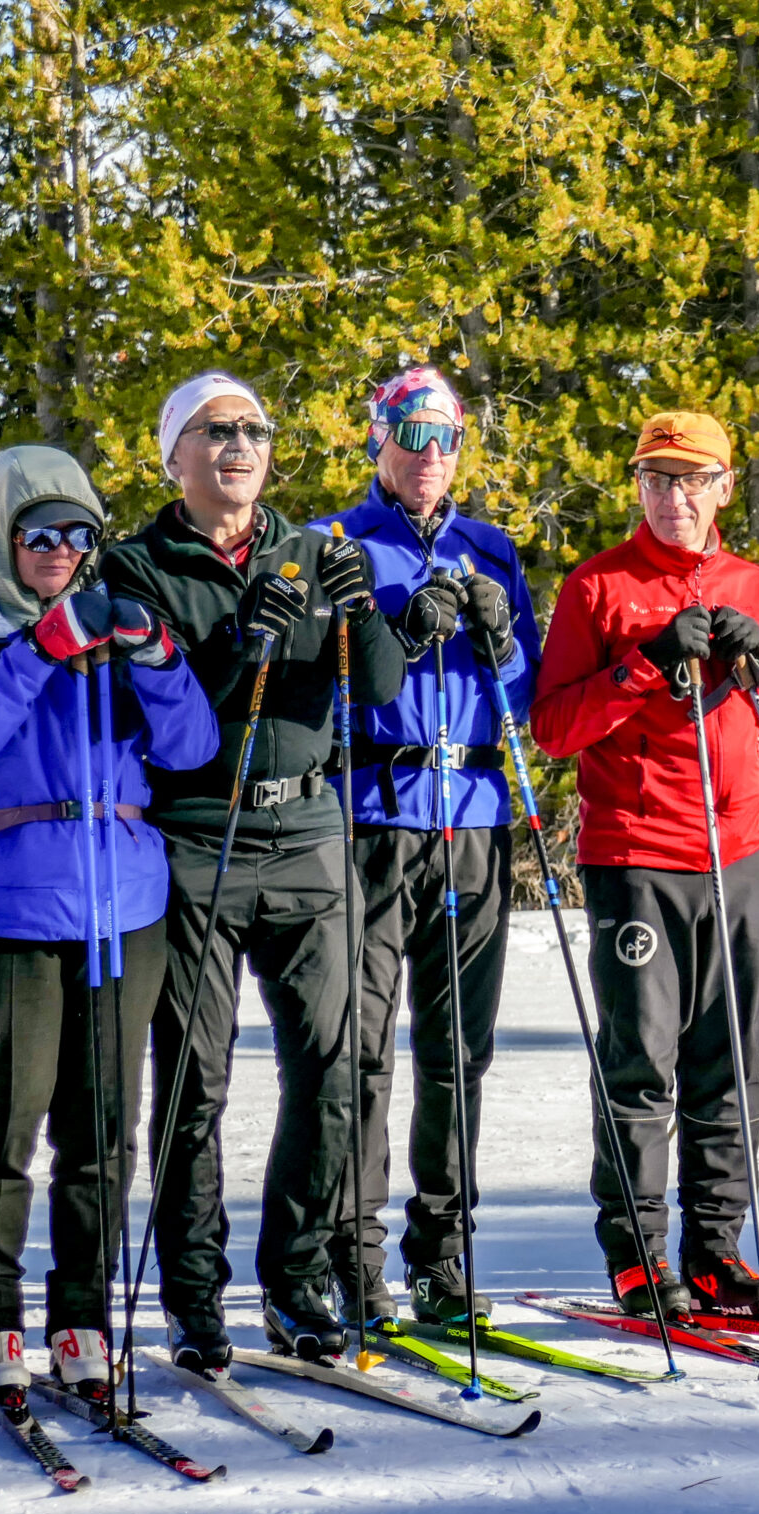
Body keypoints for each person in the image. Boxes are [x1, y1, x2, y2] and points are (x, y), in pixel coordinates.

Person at [102, 372, 405, 1368]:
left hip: (310, 832)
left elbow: (385, 691)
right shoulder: (138, 567)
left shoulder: (319, 552)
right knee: (196, 1079)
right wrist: (244, 648)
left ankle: (299, 1278)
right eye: (213, 431)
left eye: (253, 430)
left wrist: (364, 618)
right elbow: (169, 722)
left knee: (331, 1068)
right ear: (172, 456)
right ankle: (195, 1292)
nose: (238, 445)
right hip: (198, 837)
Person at [0, 446, 215, 1401]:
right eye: (39, 533)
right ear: (5, 534)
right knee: (3, 1120)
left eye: (78, 533)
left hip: (122, 907)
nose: (60, 551)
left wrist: (156, 657)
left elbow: (193, 745)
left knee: (103, 1128)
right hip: (3, 907)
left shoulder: (123, 618)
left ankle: (81, 1314)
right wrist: (37, 650)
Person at [529, 410, 759, 1317]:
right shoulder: (598, 586)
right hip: (638, 854)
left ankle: (716, 1250)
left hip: (742, 853)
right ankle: (638, 1251)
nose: (674, 497)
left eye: (692, 480)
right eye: (657, 479)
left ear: (725, 486)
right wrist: (645, 666)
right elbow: (553, 727)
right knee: (641, 1062)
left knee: (729, 1060)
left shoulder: (758, 588)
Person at [316, 366, 541, 1329]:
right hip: (375, 811)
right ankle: (353, 1253)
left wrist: (500, 638)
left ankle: (441, 1251)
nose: (429, 456)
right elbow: (315, 687)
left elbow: (528, 692)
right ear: (378, 441)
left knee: (458, 1049)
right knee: (360, 1047)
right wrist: (399, 635)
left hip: (474, 817)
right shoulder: (338, 543)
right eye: (410, 435)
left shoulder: (490, 548)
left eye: (445, 438)